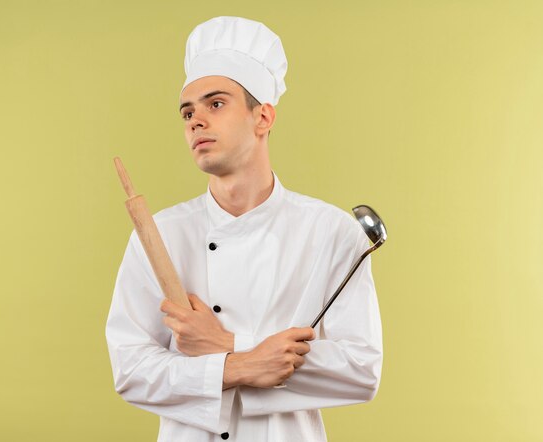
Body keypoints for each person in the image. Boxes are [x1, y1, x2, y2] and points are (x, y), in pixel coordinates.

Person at [105, 16, 383, 442]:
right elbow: (131, 369)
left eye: (215, 104)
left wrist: (228, 342)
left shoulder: (331, 231)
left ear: (263, 117)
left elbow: (361, 370)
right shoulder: (161, 233)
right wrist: (241, 365)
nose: (195, 120)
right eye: (187, 111)